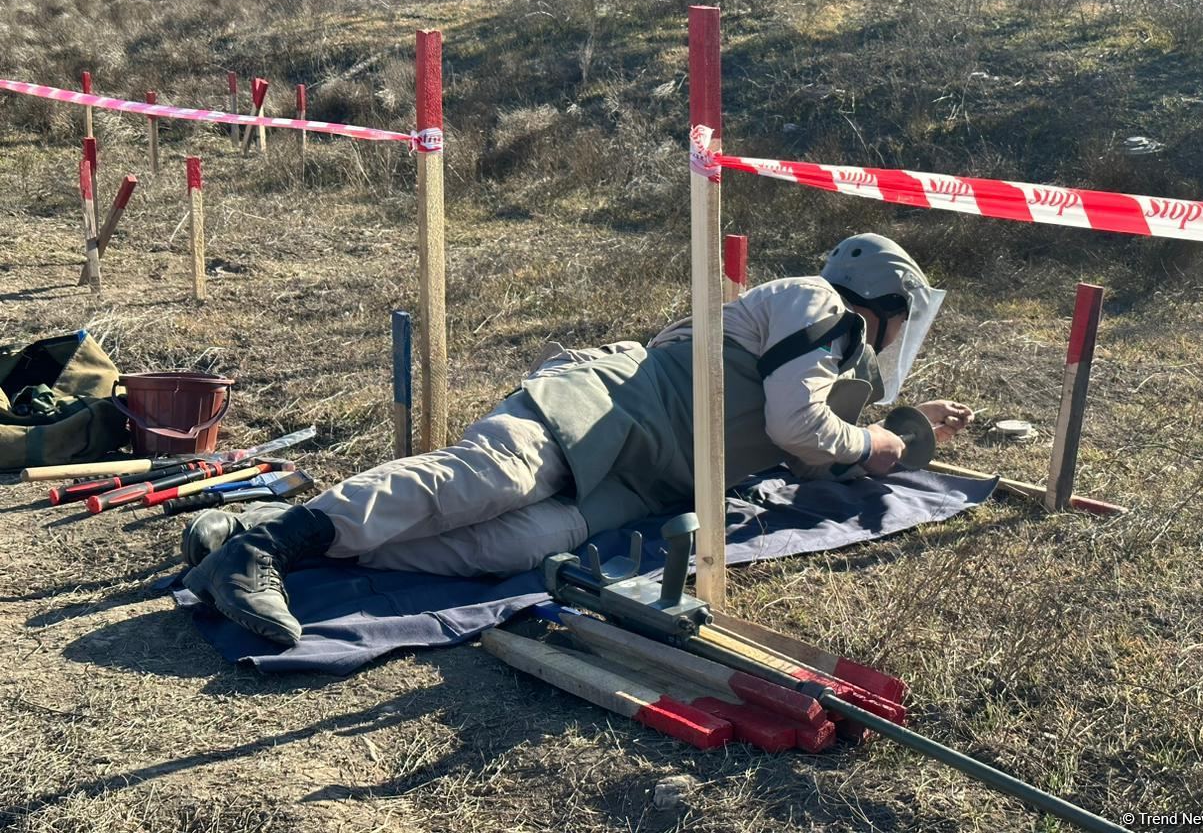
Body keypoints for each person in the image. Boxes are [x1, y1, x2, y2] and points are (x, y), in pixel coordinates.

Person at [183, 233, 974, 644]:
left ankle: (264, 537)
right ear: (884, 299)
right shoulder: (817, 303)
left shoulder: (834, 362)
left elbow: (816, 447)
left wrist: (903, 430)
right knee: (483, 482)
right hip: (604, 412)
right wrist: (871, 443)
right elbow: (799, 427)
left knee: (500, 546)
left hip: (640, 478)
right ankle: (261, 552)